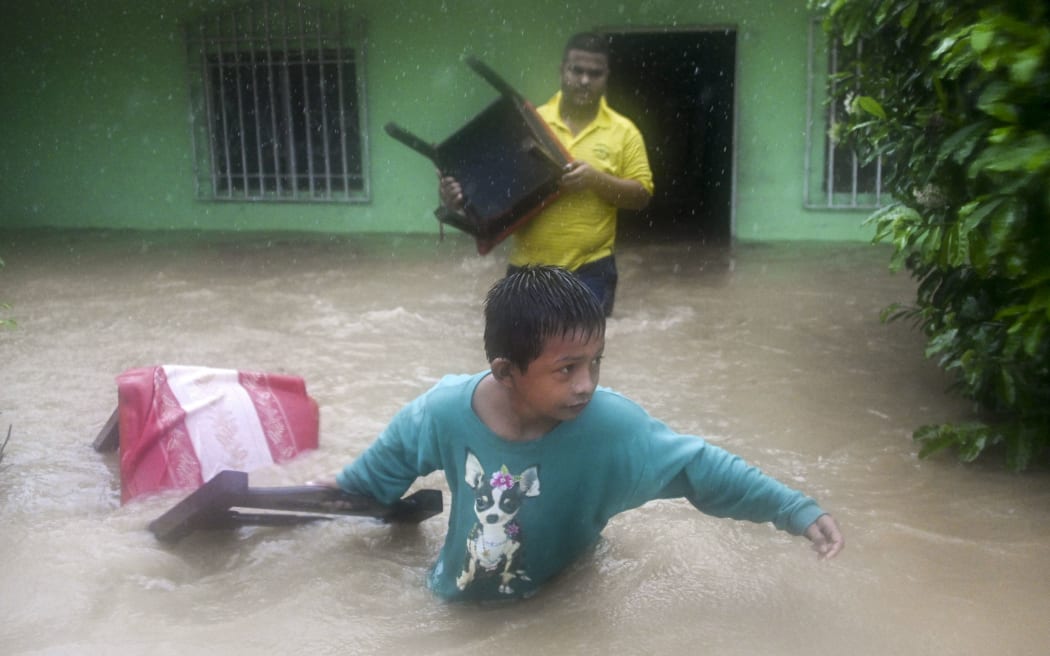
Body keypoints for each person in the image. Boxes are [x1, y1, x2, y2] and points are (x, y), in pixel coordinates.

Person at [315, 265, 844, 602]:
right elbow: (376, 476)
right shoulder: (444, 411)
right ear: (506, 372)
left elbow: (700, 470)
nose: (587, 385)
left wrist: (795, 511)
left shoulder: (612, 429)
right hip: (451, 596)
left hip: (559, 596)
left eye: (596, 362)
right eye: (567, 369)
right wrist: (332, 498)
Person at [439, 32, 654, 316]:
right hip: (527, 271)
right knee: (522, 357)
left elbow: (641, 196)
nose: (585, 80)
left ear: (607, 76)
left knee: (582, 358)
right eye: (577, 70)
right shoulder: (527, 122)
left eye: (595, 73)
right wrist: (457, 200)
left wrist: (594, 179)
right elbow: (493, 192)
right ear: (562, 71)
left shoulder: (625, 132)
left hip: (590, 271)